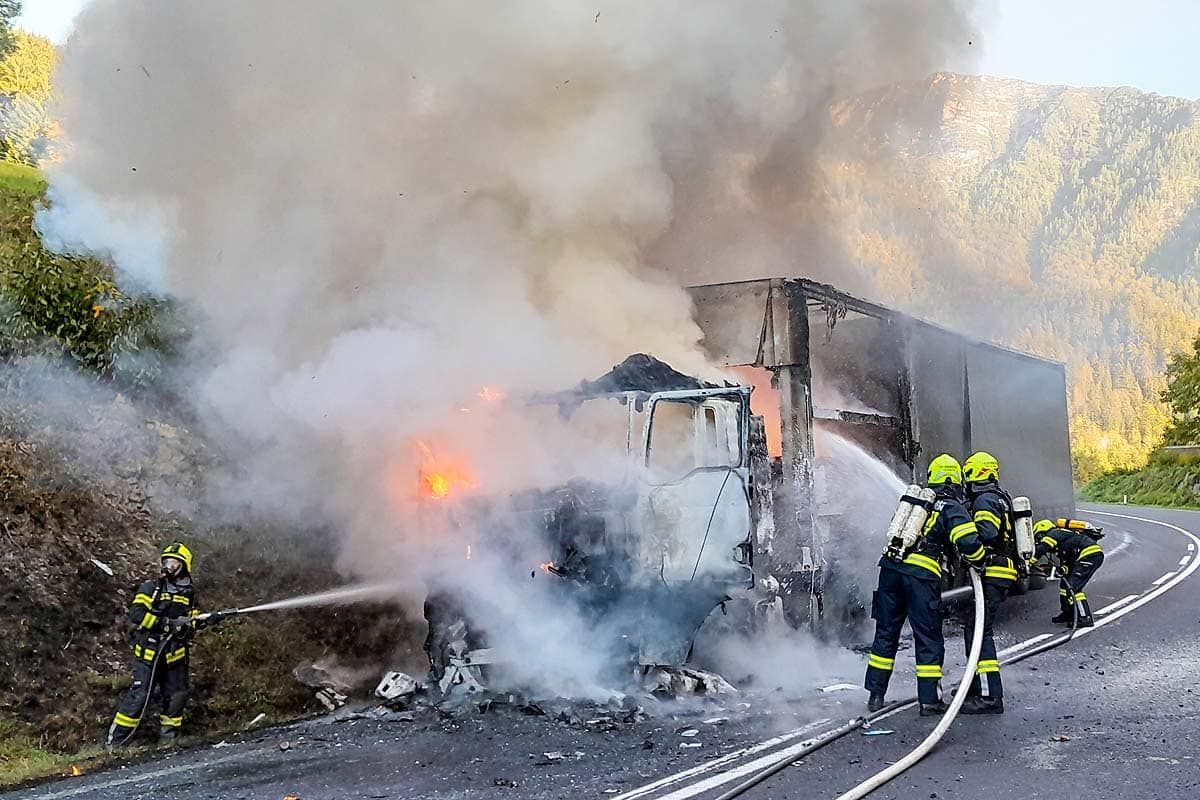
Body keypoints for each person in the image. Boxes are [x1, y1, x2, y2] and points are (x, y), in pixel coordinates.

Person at [865, 454, 987, 716]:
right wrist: (980, 561)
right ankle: (930, 701)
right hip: (920, 577)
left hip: (889, 570)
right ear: (955, 480)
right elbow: (968, 542)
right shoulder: (951, 507)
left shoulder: (916, 503)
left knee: (886, 633)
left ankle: (875, 696)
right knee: (927, 636)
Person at [107, 542, 198, 748]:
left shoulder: (189, 594)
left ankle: (168, 743)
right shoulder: (152, 588)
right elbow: (137, 614)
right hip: (150, 654)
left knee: (176, 698)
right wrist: (166, 624)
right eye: (167, 562)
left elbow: (191, 621)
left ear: (184, 566)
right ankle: (115, 744)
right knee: (139, 697)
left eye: (174, 563)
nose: (169, 567)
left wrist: (199, 622)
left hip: (175, 656)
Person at [960, 451, 1019, 715]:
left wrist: (963, 537)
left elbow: (986, 533)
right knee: (974, 630)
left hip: (993, 571)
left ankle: (989, 696)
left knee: (979, 632)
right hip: (1000, 571)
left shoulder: (985, 500)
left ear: (976, 473)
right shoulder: (999, 497)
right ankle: (974, 688)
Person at [1033, 518, 1104, 627]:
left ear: (1043, 531)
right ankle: (1068, 614)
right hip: (1086, 556)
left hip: (1090, 555)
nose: (1039, 540)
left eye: (1039, 536)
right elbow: (1069, 564)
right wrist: (1060, 570)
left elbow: (1042, 548)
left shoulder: (1054, 533)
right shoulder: (1064, 540)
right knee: (1064, 585)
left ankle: (1085, 618)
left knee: (1074, 588)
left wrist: (1029, 562)